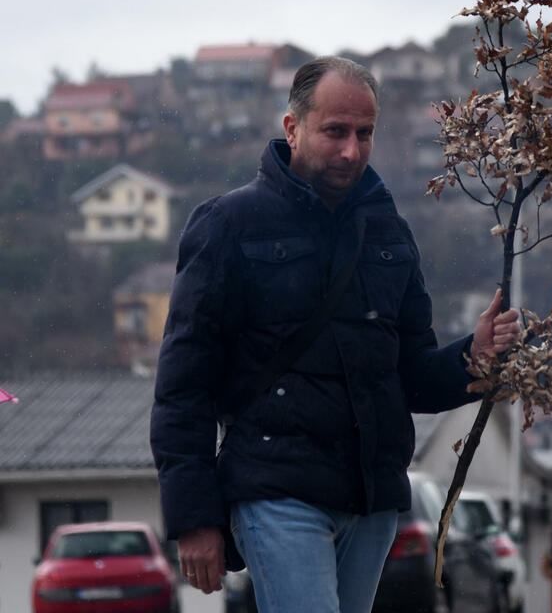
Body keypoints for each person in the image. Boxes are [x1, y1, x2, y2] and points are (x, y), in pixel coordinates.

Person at [149, 56, 521, 613]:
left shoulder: (390, 235)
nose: (351, 149)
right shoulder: (228, 226)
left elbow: (413, 379)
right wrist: (195, 517)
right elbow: (183, 384)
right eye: (335, 131)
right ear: (292, 127)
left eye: (364, 133)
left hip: (370, 499)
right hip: (275, 491)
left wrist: (475, 355)